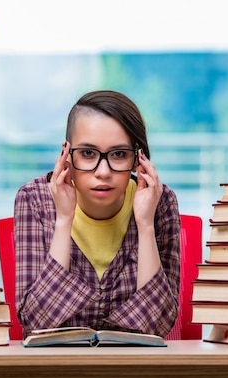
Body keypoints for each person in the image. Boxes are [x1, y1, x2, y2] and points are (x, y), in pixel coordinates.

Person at [14, 90, 181, 338]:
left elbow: (156, 327)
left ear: (138, 160)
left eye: (119, 154)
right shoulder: (34, 200)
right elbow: (37, 323)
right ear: (67, 155)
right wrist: (63, 221)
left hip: (135, 367)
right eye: (88, 154)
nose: (103, 172)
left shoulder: (160, 201)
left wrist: (145, 225)